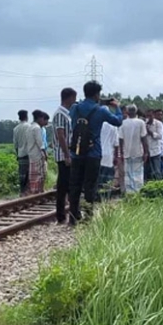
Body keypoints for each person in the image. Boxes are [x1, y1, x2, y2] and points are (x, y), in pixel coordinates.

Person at [68, 80, 123, 225]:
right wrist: (117, 108)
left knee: (75, 184)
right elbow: (118, 121)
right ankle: (88, 215)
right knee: (90, 185)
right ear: (97, 94)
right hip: (93, 153)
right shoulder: (101, 110)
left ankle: (73, 216)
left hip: (77, 152)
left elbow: (74, 114)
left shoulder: (75, 108)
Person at [52, 88, 76, 224]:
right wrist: (67, 155)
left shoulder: (66, 114)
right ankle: (61, 215)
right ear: (69, 98)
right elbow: (61, 135)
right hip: (63, 154)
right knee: (64, 184)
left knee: (66, 183)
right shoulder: (60, 114)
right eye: (73, 98)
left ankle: (64, 214)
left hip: (67, 153)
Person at [118, 104, 149, 193]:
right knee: (138, 174)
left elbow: (120, 139)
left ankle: (129, 193)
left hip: (127, 152)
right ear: (136, 111)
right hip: (138, 152)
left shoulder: (123, 123)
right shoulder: (141, 123)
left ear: (127, 112)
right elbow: (144, 138)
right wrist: (146, 152)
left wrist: (121, 152)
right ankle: (138, 192)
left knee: (128, 174)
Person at [98, 104, 119, 200]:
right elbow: (116, 143)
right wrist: (116, 156)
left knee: (97, 179)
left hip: (97, 154)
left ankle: (96, 196)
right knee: (107, 180)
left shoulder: (97, 123)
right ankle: (105, 197)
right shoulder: (113, 125)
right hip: (109, 155)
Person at [27, 110, 49, 195]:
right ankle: (38, 191)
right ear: (40, 118)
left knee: (33, 174)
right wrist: (45, 153)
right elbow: (40, 143)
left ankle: (34, 191)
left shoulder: (30, 127)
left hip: (31, 153)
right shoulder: (37, 128)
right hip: (37, 154)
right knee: (39, 174)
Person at [13, 110, 30, 197]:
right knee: (29, 173)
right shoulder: (29, 127)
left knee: (22, 174)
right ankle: (27, 191)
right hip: (30, 153)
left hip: (20, 154)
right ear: (26, 117)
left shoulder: (16, 129)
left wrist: (17, 154)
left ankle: (22, 191)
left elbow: (15, 144)